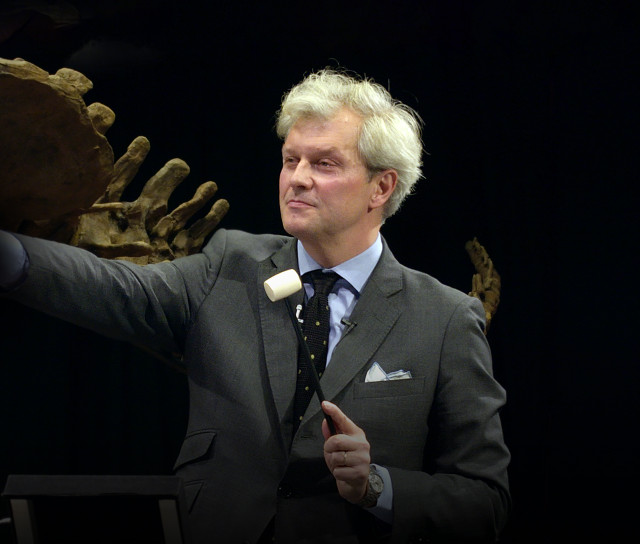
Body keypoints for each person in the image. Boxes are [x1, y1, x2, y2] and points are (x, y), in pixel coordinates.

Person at [0, 69, 510, 543]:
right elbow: (118, 289)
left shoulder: (444, 318)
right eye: (291, 160)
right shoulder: (229, 263)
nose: (297, 178)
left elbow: (484, 501)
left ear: (382, 186)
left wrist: (376, 486)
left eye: (324, 163)